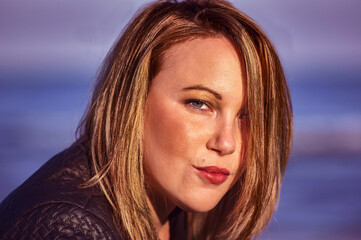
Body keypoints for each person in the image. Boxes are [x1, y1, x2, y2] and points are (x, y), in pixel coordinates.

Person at [0, 0, 293, 239]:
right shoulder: (66, 228)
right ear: (132, 101)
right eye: (199, 103)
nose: (227, 142)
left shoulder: (173, 213)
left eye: (249, 116)